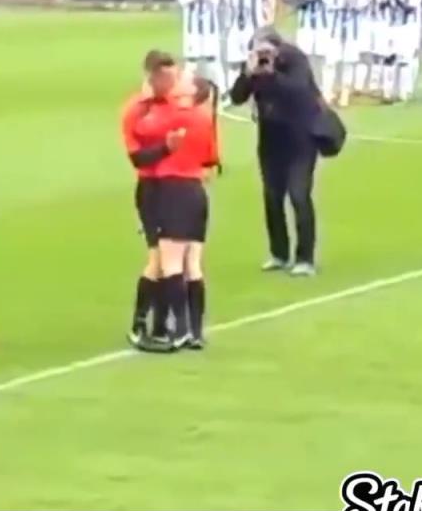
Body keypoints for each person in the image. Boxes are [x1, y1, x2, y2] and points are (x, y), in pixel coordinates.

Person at [229, 30, 329, 277]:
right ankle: (279, 253)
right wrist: (248, 73)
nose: (263, 56)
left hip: (300, 138)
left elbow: (298, 90)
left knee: (299, 194)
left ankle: (305, 258)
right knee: (272, 198)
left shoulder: (295, 60)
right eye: (258, 51)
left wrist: (272, 73)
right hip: (271, 139)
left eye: (267, 52)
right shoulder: (254, 63)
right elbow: (237, 97)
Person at [139, 76, 220, 349]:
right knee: (193, 264)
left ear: (191, 92)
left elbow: (142, 129)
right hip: (196, 192)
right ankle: (196, 332)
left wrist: (148, 96)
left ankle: (181, 329)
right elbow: (210, 161)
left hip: (173, 191)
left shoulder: (171, 116)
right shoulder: (205, 119)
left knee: (171, 263)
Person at [122, 51, 182, 347]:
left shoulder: (175, 103)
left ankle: (159, 326)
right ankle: (138, 325)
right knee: (157, 260)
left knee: (170, 259)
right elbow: (137, 158)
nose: (173, 83)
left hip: (176, 189)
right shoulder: (135, 110)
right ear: (153, 76)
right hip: (151, 190)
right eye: (168, 77)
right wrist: (166, 149)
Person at [178, 0, 225, 96]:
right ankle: (185, 90)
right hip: (192, 28)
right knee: (191, 62)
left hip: (209, 28)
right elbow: (182, 0)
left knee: (212, 61)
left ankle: (222, 91)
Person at [224, 0, 267, 95]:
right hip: (235, 28)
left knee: (253, 60)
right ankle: (233, 90)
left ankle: (256, 89)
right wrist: (227, 26)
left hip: (251, 28)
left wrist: (260, 30)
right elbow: (228, 8)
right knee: (233, 62)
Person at [385, 0, 422, 102]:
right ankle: (388, 91)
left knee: (404, 60)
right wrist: (386, 1)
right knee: (389, 58)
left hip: (407, 28)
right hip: (393, 25)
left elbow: (409, 9)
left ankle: (403, 92)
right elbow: (388, 2)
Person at [291, 0, 328, 76]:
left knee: (320, 52)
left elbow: (329, 0)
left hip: (321, 22)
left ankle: (319, 77)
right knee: (305, 52)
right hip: (305, 23)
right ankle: (306, 77)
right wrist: (302, 2)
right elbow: (296, 1)